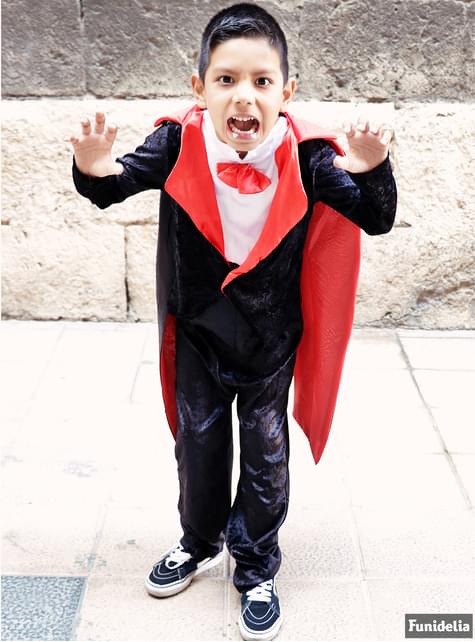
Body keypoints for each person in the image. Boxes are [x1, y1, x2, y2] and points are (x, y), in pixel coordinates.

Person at [69, 3, 397, 639]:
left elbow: (374, 217)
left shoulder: (307, 155)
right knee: (198, 442)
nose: (244, 96)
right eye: (226, 79)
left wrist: (371, 166)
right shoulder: (177, 141)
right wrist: (92, 165)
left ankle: (256, 563)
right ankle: (199, 540)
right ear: (199, 88)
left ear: (286, 92)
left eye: (261, 81)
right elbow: (112, 185)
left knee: (265, 454)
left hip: (271, 341)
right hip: (199, 332)